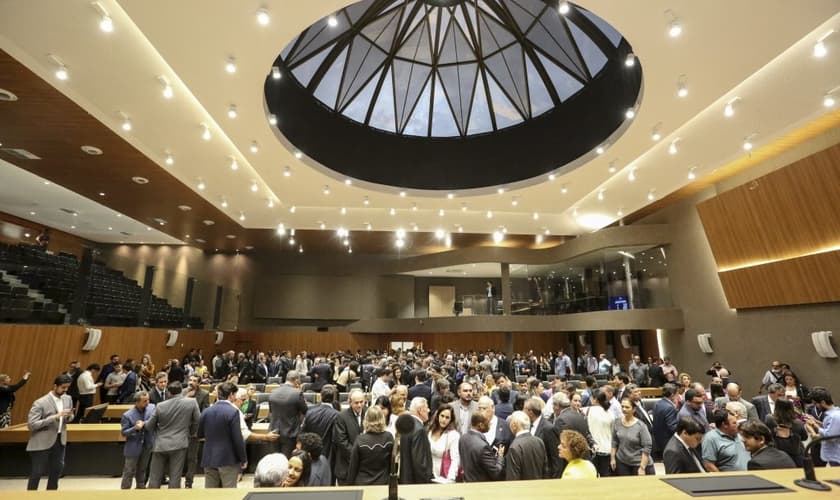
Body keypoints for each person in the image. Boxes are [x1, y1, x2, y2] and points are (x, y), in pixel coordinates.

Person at [146, 381, 201, 488]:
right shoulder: (192, 402)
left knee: (154, 478)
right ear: (181, 391)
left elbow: (149, 426)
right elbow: (198, 421)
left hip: (160, 444)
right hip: (180, 444)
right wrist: (191, 432)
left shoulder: (160, 405)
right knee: (175, 478)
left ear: (169, 393)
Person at [26, 374, 73, 490]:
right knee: (37, 472)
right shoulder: (40, 402)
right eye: (63, 387)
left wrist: (69, 416)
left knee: (57, 470)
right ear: (55, 386)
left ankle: (51, 495)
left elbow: (70, 417)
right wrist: (55, 417)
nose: (65, 390)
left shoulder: (68, 398)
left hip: (60, 440)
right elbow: (31, 425)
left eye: (67, 387)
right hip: (41, 442)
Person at [197, 382, 247, 488]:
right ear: (231, 395)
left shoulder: (206, 411)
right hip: (228, 458)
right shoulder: (233, 412)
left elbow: (199, 434)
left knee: (211, 495)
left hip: (209, 457)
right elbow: (237, 438)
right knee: (228, 493)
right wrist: (243, 459)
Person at [347, 405, 393, 485]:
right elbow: (391, 463)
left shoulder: (360, 439)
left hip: (363, 483)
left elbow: (353, 467)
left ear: (366, 420)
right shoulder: (388, 437)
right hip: (383, 482)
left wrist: (349, 486)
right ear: (382, 419)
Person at [120, 391, 155, 489]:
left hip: (147, 444)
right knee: (129, 471)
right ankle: (125, 490)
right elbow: (123, 433)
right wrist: (135, 428)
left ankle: (141, 488)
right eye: (144, 401)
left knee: (142, 469)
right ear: (137, 402)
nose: (147, 402)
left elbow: (155, 420)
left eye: (148, 400)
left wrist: (144, 423)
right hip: (133, 446)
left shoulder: (152, 408)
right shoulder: (127, 415)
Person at [610, 397, 654, 476]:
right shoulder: (617, 422)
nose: (624, 409)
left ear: (633, 409)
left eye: (627, 407)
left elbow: (647, 447)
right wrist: (612, 458)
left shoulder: (641, 426)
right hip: (622, 461)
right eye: (622, 406)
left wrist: (642, 467)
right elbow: (614, 441)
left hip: (638, 463)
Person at [268, 370, 307, 458]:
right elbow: (305, 411)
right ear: (296, 381)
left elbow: (271, 412)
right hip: (290, 433)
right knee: (286, 462)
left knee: (275, 460)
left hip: (273, 432)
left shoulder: (273, 392)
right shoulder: (297, 394)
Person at [458, 412, 505, 482]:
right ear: (481, 425)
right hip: (481, 488)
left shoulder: (463, 438)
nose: (490, 424)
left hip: (467, 483)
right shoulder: (483, 447)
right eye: (488, 422)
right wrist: (500, 456)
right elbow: (496, 472)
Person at [397, 398, 434, 484]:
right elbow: (419, 462)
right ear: (420, 410)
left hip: (406, 478)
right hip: (416, 482)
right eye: (427, 407)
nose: (429, 410)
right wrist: (426, 480)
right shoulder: (419, 430)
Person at [334, 389, 367, 485]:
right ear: (350, 402)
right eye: (356, 403)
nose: (359, 405)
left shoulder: (369, 413)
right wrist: (356, 456)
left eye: (361, 402)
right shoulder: (341, 417)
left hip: (364, 468)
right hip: (346, 465)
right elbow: (342, 441)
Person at [764, 397, 806, 466]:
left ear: (776, 406)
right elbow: (804, 437)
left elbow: (767, 433)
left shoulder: (769, 418)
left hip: (776, 454)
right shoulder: (798, 423)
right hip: (795, 456)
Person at [505, 410, 546, 480]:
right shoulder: (539, 441)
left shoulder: (514, 447)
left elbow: (512, 478)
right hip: (540, 487)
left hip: (523, 489)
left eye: (510, 423)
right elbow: (546, 470)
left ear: (514, 425)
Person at [804, 388, 840, 466]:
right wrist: (816, 421)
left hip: (836, 456)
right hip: (833, 455)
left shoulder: (835, 416)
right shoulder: (833, 414)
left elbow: (829, 436)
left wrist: (814, 425)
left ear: (823, 402)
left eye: (816, 404)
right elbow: (830, 428)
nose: (815, 407)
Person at [427, 403, 461, 483]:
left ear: (451, 420)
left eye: (447, 417)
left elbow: (455, 459)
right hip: (428, 473)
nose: (444, 420)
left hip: (444, 475)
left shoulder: (453, 435)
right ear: (437, 415)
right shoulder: (430, 430)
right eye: (442, 416)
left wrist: (450, 479)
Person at [586, 389, 615, 477]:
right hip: (608, 449)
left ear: (595, 399)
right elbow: (613, 432)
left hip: (594, 450)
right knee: (605, 477)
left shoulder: (587, 411)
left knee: (592, 476)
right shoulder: (610, 412)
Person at [652, 384, 680, 460]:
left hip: (658, 439)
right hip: (668, 441)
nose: (677, 396)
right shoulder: (670, 407)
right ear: (672, 395)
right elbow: (672, 427)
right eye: (677, 394)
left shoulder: (657, 403)